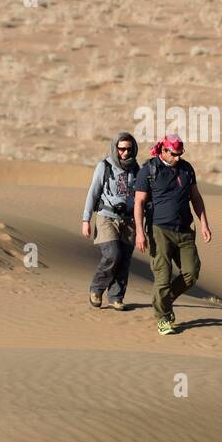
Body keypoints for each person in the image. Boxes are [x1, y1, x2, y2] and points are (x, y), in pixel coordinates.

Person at [132, 135, 212, 334]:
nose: (177, 158)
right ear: (164, 151)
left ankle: (164, 301)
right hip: (159, 230)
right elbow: (139, 203)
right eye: (174, 154)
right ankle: (163, 318)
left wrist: (204, 224)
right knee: (163, 276)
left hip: (184, 230)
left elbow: (196, 198)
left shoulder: (186, 169)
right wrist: (140, 233)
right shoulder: (148, 170)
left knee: (192, 272)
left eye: (180, 154)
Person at [81, 132, 140, 310]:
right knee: (113, 254)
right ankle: (97, 289)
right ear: (115, 148)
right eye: (121, 149)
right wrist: (86, 219)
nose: (125, 153)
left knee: (124, 260)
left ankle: (116, 297)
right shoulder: (104, 166)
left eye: (129, 149)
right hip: (107, 217)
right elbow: (93, 192)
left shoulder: (136, 169)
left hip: (128, 220)